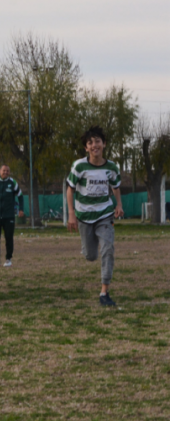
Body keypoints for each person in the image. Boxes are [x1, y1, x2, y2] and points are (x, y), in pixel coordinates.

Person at [66, 126, 123, 307]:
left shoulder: (111, 167)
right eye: (90, 143)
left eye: (98, 141)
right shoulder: (79, 166)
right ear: (86, 148)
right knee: (91, 256)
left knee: (108, 249)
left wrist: (119, 205)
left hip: (105, 215)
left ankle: (104, 292)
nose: (94, 145)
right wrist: (72, 214)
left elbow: (115, 187)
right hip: (83, 216)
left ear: (104, 144)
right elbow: (70, 189)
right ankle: (89, 245)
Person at [0, 164, 24, 267]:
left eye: (7, 171)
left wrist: (21, 209)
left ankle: (8, 259)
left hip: (9, 216)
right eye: (4, 170)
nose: (5, 172)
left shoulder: (12, 183)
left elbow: (20, 195)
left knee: (9, 237)